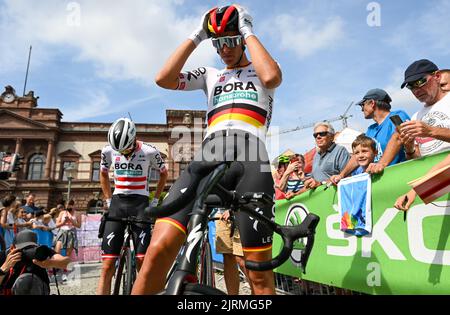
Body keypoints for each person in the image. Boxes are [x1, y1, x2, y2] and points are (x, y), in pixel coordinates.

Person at [132, 4, 282, 295]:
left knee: (258, 276)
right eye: (218, 43)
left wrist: (246, 30)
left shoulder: (262, 66)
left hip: (250, 157)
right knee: (157, 251)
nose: (224, 48)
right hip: (209, 154)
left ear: (241, 38)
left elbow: (271, 78)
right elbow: (163, 78)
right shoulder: (210, 75)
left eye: (230, 40)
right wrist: (198, 35)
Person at [96, 117, 168, 295]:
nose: (124, 153)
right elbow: (103, 174)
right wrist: (108, 200)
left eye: (126, 149)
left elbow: (164, 174)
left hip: (140, 205)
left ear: (134, 138)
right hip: (117, 204)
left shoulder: (150, 151)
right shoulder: (108, 150)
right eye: (119, 150)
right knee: (107, 266)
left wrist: (155, 200)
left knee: (143, 261)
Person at [367, 60, 450, 174]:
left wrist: (431, 131)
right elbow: (416, 159)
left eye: (420, 82)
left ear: (437, 76)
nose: (416, 90)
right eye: (410, 86)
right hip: (430, 178)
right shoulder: (416, 116)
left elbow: (430, 132)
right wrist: (410, 148)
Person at [330, 89, 410, 184]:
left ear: (372, 103)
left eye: (362, 105)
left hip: (397, 177)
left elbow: (398, 137)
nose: (361, 109)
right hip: (377, 180)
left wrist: (381, 164)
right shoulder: (370, 130)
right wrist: (341, 175)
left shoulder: (397, 115)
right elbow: (357, 155)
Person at [0, 230, 70, 295]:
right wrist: (4, 269)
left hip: (37, 289)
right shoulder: (3, 256)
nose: (28, 252)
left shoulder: (40, 252)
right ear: (12, 248)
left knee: (26, 280)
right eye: (23, 249)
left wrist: (50, 263)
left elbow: (66, 262)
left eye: (31, 248)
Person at [215, 209, 252, 295]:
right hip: (222, 215)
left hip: (241, 213)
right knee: (228, 257)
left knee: (241, 260)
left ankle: (257, 292)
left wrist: (232, 210)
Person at [304, 122, 350, 189]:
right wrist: (295, 194)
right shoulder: (316, 156)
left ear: (331, 136)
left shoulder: (340, 151)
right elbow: (313, 182)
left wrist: (321, 183)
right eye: (315, 135)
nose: (318, 137)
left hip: (335, 197)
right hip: (320, 198)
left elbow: (347, 178)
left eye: (322, 134)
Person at [53, 199, 81, 281]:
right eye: (67, 205)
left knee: (68, 254)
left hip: (71, 233)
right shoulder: (62, 213)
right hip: (62, 232)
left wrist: (71, 220)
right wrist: (64, 222)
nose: (68, 206)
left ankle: (65, 273)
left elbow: (79, 225)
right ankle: (56, 269)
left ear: (73, 205)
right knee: (57, 251)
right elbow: (57, 225)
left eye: (70, 205)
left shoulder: (77, 214)